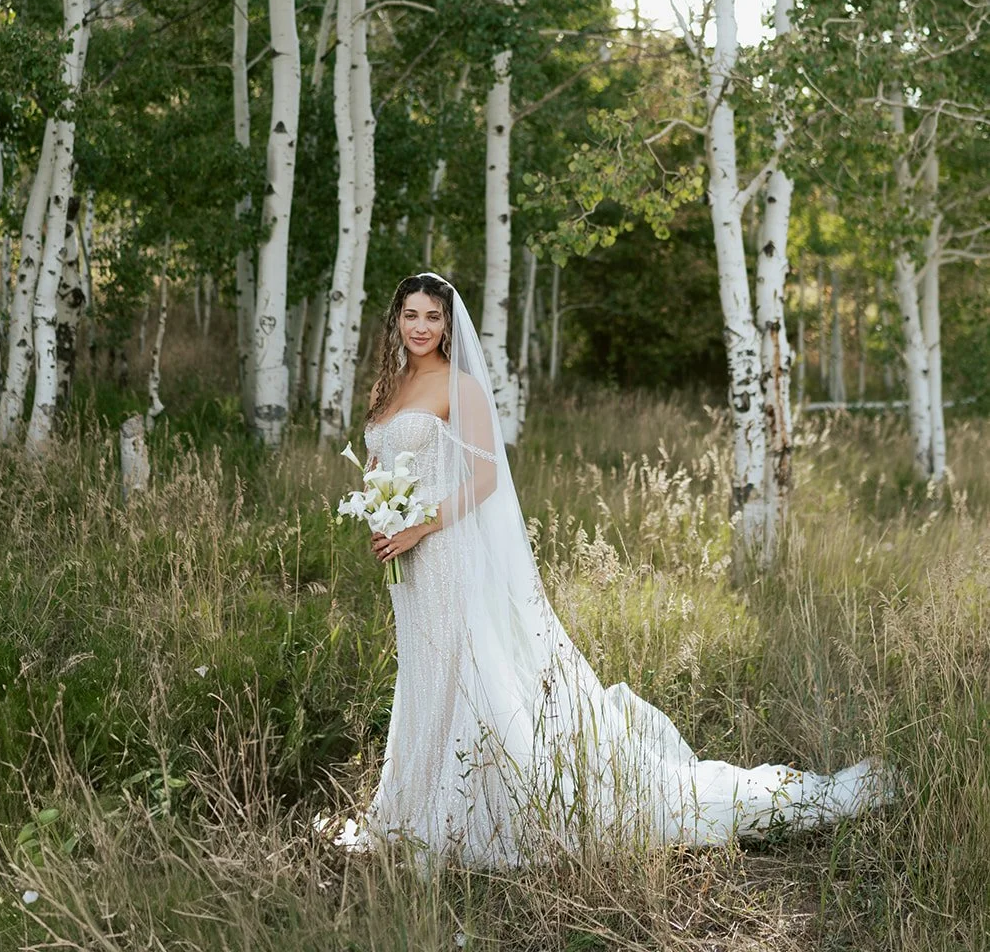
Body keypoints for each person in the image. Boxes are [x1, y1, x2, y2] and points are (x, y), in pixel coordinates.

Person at [339, 271, 889, 867]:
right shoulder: (390, 385)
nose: (421, 327)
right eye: (412, 315)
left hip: (444, 554)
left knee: (466, 672)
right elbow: (381, 457)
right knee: (425, 674)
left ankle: (470, 811)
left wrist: (419, 524)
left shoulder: (459, 385)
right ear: (396, 319)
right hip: (406, 564)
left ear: (448, 325)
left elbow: (486, 477)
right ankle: (409, 804)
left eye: (434, 317)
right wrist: (380, 509)